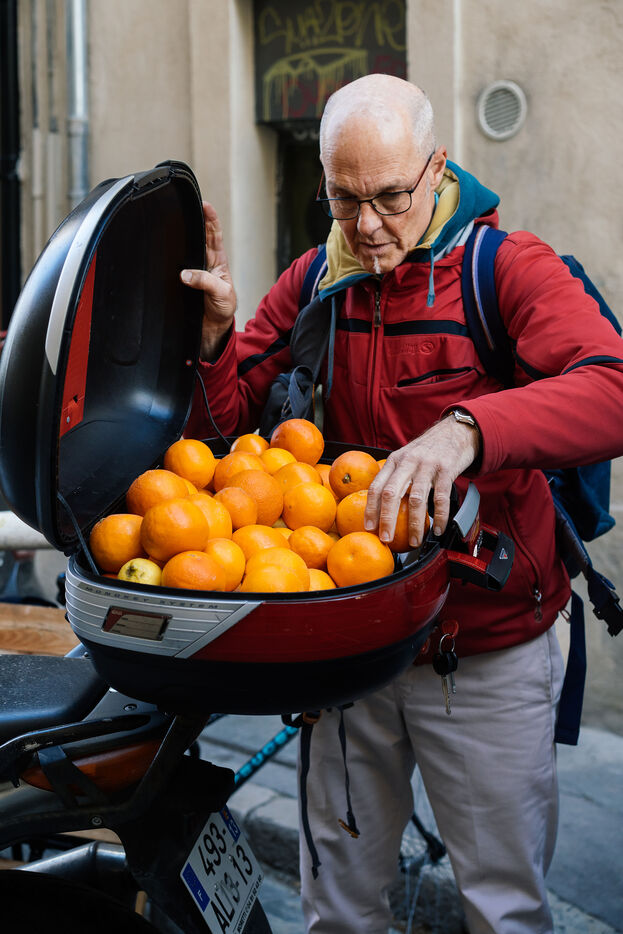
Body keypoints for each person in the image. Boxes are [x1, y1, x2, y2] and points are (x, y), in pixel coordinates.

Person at [181, 74, 623, 934]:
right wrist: (213, 340)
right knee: (338, 909)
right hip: (350, 644)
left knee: (501, 909)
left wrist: (468, 430)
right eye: (343, 199)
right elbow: (226, 437)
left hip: (484, 649)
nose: (367, 225)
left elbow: (611, 387)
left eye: (389, 196)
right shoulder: (315, 279)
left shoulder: (505, 269)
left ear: (436, 170)